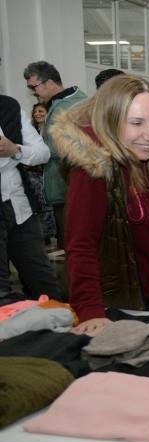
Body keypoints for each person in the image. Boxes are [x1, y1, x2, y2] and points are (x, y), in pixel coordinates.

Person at [49, 75, 149, 335]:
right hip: (136, 305)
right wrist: (90, 310)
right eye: (136, 123)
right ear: (111, 122)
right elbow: (80, 243)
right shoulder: (95, 168)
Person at [0, 95, 61, 302]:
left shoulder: (9, 106)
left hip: (20, 210)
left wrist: (15, 150)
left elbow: (43, 152)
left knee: (45, 285)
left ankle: (56, 331)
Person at [23, 61, 87, 249]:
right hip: (66, 188)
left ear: (49, 83)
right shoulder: (66, 102)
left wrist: (28, 154)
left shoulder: (68, 107)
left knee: (74, 247)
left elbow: (65, 148)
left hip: (69, 189)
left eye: (33, 87)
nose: (32, 93)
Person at [25, 104, 55, 246]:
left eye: (41, 111)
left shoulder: (51, 130)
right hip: (34, 172)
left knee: (48, 204)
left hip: (48, 172)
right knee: (40, 205)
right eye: (35, 111)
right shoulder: (30, 131)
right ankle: (45, 235)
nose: (37, 114)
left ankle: (50, 233)